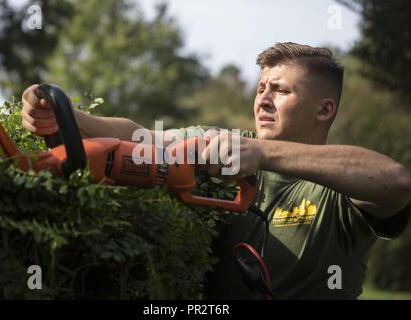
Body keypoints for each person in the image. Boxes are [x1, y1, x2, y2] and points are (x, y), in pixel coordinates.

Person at [21, 42, 411, 299]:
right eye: (260, 88)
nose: (263, 98)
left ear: (324, 110)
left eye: (280, 89)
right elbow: (140, 137)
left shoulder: (338, 184)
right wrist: (69, 115)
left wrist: (263, 154)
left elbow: (396, 181)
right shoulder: (224, 143)